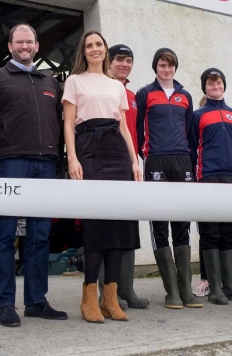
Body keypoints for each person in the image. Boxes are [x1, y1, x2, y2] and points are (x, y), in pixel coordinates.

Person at [0, 23, 68, 327]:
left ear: (36, 46)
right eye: (19, 41)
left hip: (46, 164)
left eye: (29, 41)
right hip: (10, 162)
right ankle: (6, 304)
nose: (24, 46)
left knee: (40, 236)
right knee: (5, 235)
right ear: (10, 46)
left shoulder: (50, 81)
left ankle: (36, 301)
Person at [62, 30, 143, 323]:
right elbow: (69, 124)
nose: (94, 49)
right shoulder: (74, 81)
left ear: (105, 49)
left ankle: (110, 297)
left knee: (119, 226)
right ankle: (88, 297)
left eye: (99, 44)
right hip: (89, 149)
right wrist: (72, 158)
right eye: (89, 45)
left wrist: (134, 161)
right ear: (83, 52)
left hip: (117, 153)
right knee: (96, 226)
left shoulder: (115, 85)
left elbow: (123, 126)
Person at [135, 48, 202, 309]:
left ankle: (186, 290)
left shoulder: (185, 96)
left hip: (181, 159)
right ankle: (171, 291)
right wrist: (144, 153)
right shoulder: (145, 93)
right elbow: (139, 125)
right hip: (156, 160)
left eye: (171, 65)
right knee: (160, 221)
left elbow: (188, 129)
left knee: (182, 220)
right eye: (162, 65)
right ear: (155, 67)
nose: (167, 69)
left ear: (175, 68)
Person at [188, 69, 232, 305]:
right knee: (210, 232)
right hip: (207, 176)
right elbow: (191, 146)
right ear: (205, 88)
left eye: (218, 82)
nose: (215, 86)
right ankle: (215, 288)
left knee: (229, 231)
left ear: (224, 86)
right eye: (210, 83)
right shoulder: (197, 115)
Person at [93, 43, 150, 310]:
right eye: (118, 59)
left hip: (129, 167)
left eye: (128, 60)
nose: (123, 64)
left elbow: (136, 132)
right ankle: (107, 292)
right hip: (104, 167)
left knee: (128, 228)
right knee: (106, 229)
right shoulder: (99, 87)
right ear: (109, 61)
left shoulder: (132, 95)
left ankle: (126, 289)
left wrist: (137, 160)